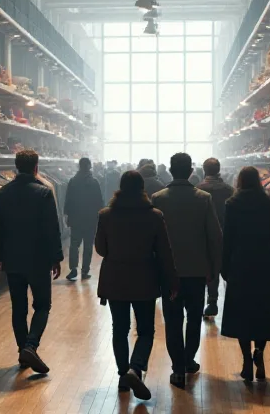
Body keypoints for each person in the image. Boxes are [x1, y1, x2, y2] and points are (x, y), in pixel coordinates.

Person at [96, 170, 178, 401]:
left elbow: (101, 249)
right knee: (145, 330)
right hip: (145, 278)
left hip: (115, 278)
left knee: (119, 329)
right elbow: (164, 252)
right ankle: (136, 367)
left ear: (120, 187)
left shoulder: (106, 215)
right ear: (143, 189)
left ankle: (123, 376)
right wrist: (172, 280)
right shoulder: (154, 216)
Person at [150, 153, 222, 389]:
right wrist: (213, 268)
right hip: (197, 270)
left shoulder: (158, 198)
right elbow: (214, 236)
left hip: (168, 271)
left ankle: (177, 368)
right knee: (193, 318)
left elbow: (151, 238)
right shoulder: (203, 198)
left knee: (172, 320)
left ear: (171, 171)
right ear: (191, 171)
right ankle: (189, 359)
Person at [0, 150, 63, 374]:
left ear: (16, 166)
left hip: (12, 259)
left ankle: (23, 351)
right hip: (38, 259)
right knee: (42, 305)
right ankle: (30, 346)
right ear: (36, 167)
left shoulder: (2, 193)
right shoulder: (43, 192)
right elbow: (51, 228)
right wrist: (56, 257)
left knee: (18, 308)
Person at [219, 166, 270, 383]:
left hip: (240, 264)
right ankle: (259, 352)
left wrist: (224, 267)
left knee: (242, 314)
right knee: (262, 312)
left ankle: (247, 360)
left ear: (240, 181)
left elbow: (228, 239)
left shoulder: (232, 204)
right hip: (264, 265)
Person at [196, 158, 235, 318]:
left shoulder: (198, 190)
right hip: (226, 234)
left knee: (205, 267)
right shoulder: (229, 190)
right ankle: (220, 302)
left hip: (203, 234)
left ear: (204, 170)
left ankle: (206, 301)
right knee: (223, 267)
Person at [64, 157, 105, 281]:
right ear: (90, 166)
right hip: (90, 220)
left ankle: (73, 269)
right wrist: (100, 217)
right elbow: (99, 201)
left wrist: (67, 215)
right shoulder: (94, 182)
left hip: (76, 219)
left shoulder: (73, 181)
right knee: (88, 246)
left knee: (74, 245)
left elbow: (68, 200)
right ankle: (85, 270)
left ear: (79, 166)